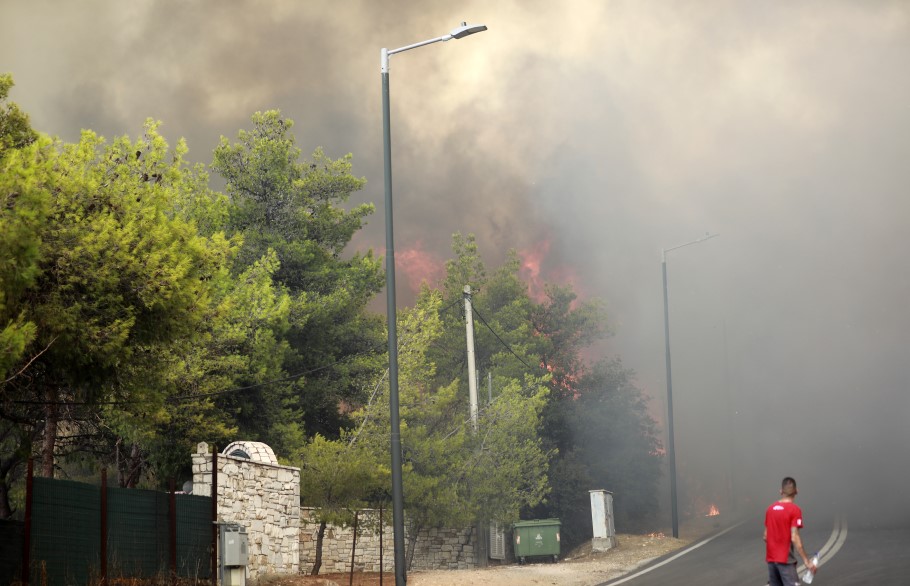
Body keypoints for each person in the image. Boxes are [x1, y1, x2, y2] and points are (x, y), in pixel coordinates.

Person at [764, 476, 816, 586]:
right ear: (796, 491)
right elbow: (795, 537)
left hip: (771, 561)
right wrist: (807, 561)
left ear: (780, 491)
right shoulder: (794, 510)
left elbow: (765, 536)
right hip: (786, 561)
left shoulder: (770, 509)